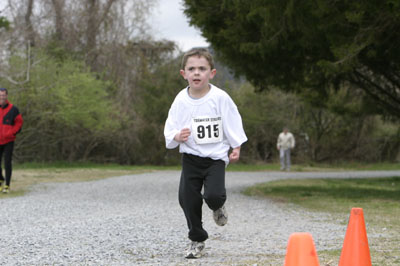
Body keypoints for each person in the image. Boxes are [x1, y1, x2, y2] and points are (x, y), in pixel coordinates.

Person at [164, 48, 247, 259]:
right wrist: (176, 136)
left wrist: (235, 147)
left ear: (212, 73)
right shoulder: (180, 100)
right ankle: (197, 239)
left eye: (202, 69)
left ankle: (218, 206)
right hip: (191, 158)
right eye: (192, 69)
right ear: (184, 74)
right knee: (187, 199)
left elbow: (232, 122)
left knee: (213, 196)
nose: (197, 73)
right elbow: (170, 127)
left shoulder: (220, 98)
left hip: (215, 159)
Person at [0, 88, 23, 193]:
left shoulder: (13, 109)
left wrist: (12, 132)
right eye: (0, 95)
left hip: (9, 140)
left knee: (7, 162)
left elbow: (19, 123)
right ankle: (0, 180)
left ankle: (7, 185)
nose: (2, 97)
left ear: (7, 96)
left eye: (4, 95)